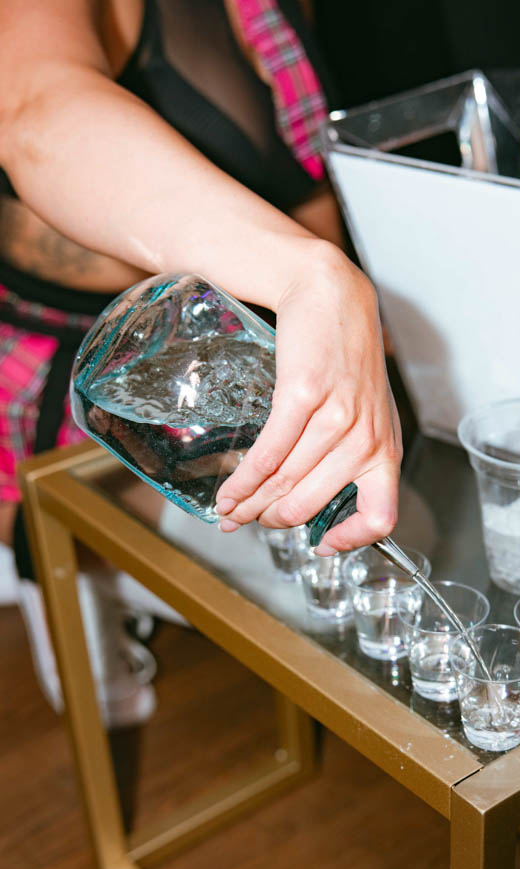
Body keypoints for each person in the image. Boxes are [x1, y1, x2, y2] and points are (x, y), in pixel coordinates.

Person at [0, 0, 402, 719]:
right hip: (79, 370)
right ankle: (48, 568)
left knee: (354, 566)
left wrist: (362, 345)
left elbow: (298, 183)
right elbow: (34, 109)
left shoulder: (266, 16)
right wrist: (315, 277)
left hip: (223, 346)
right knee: (112, 696)